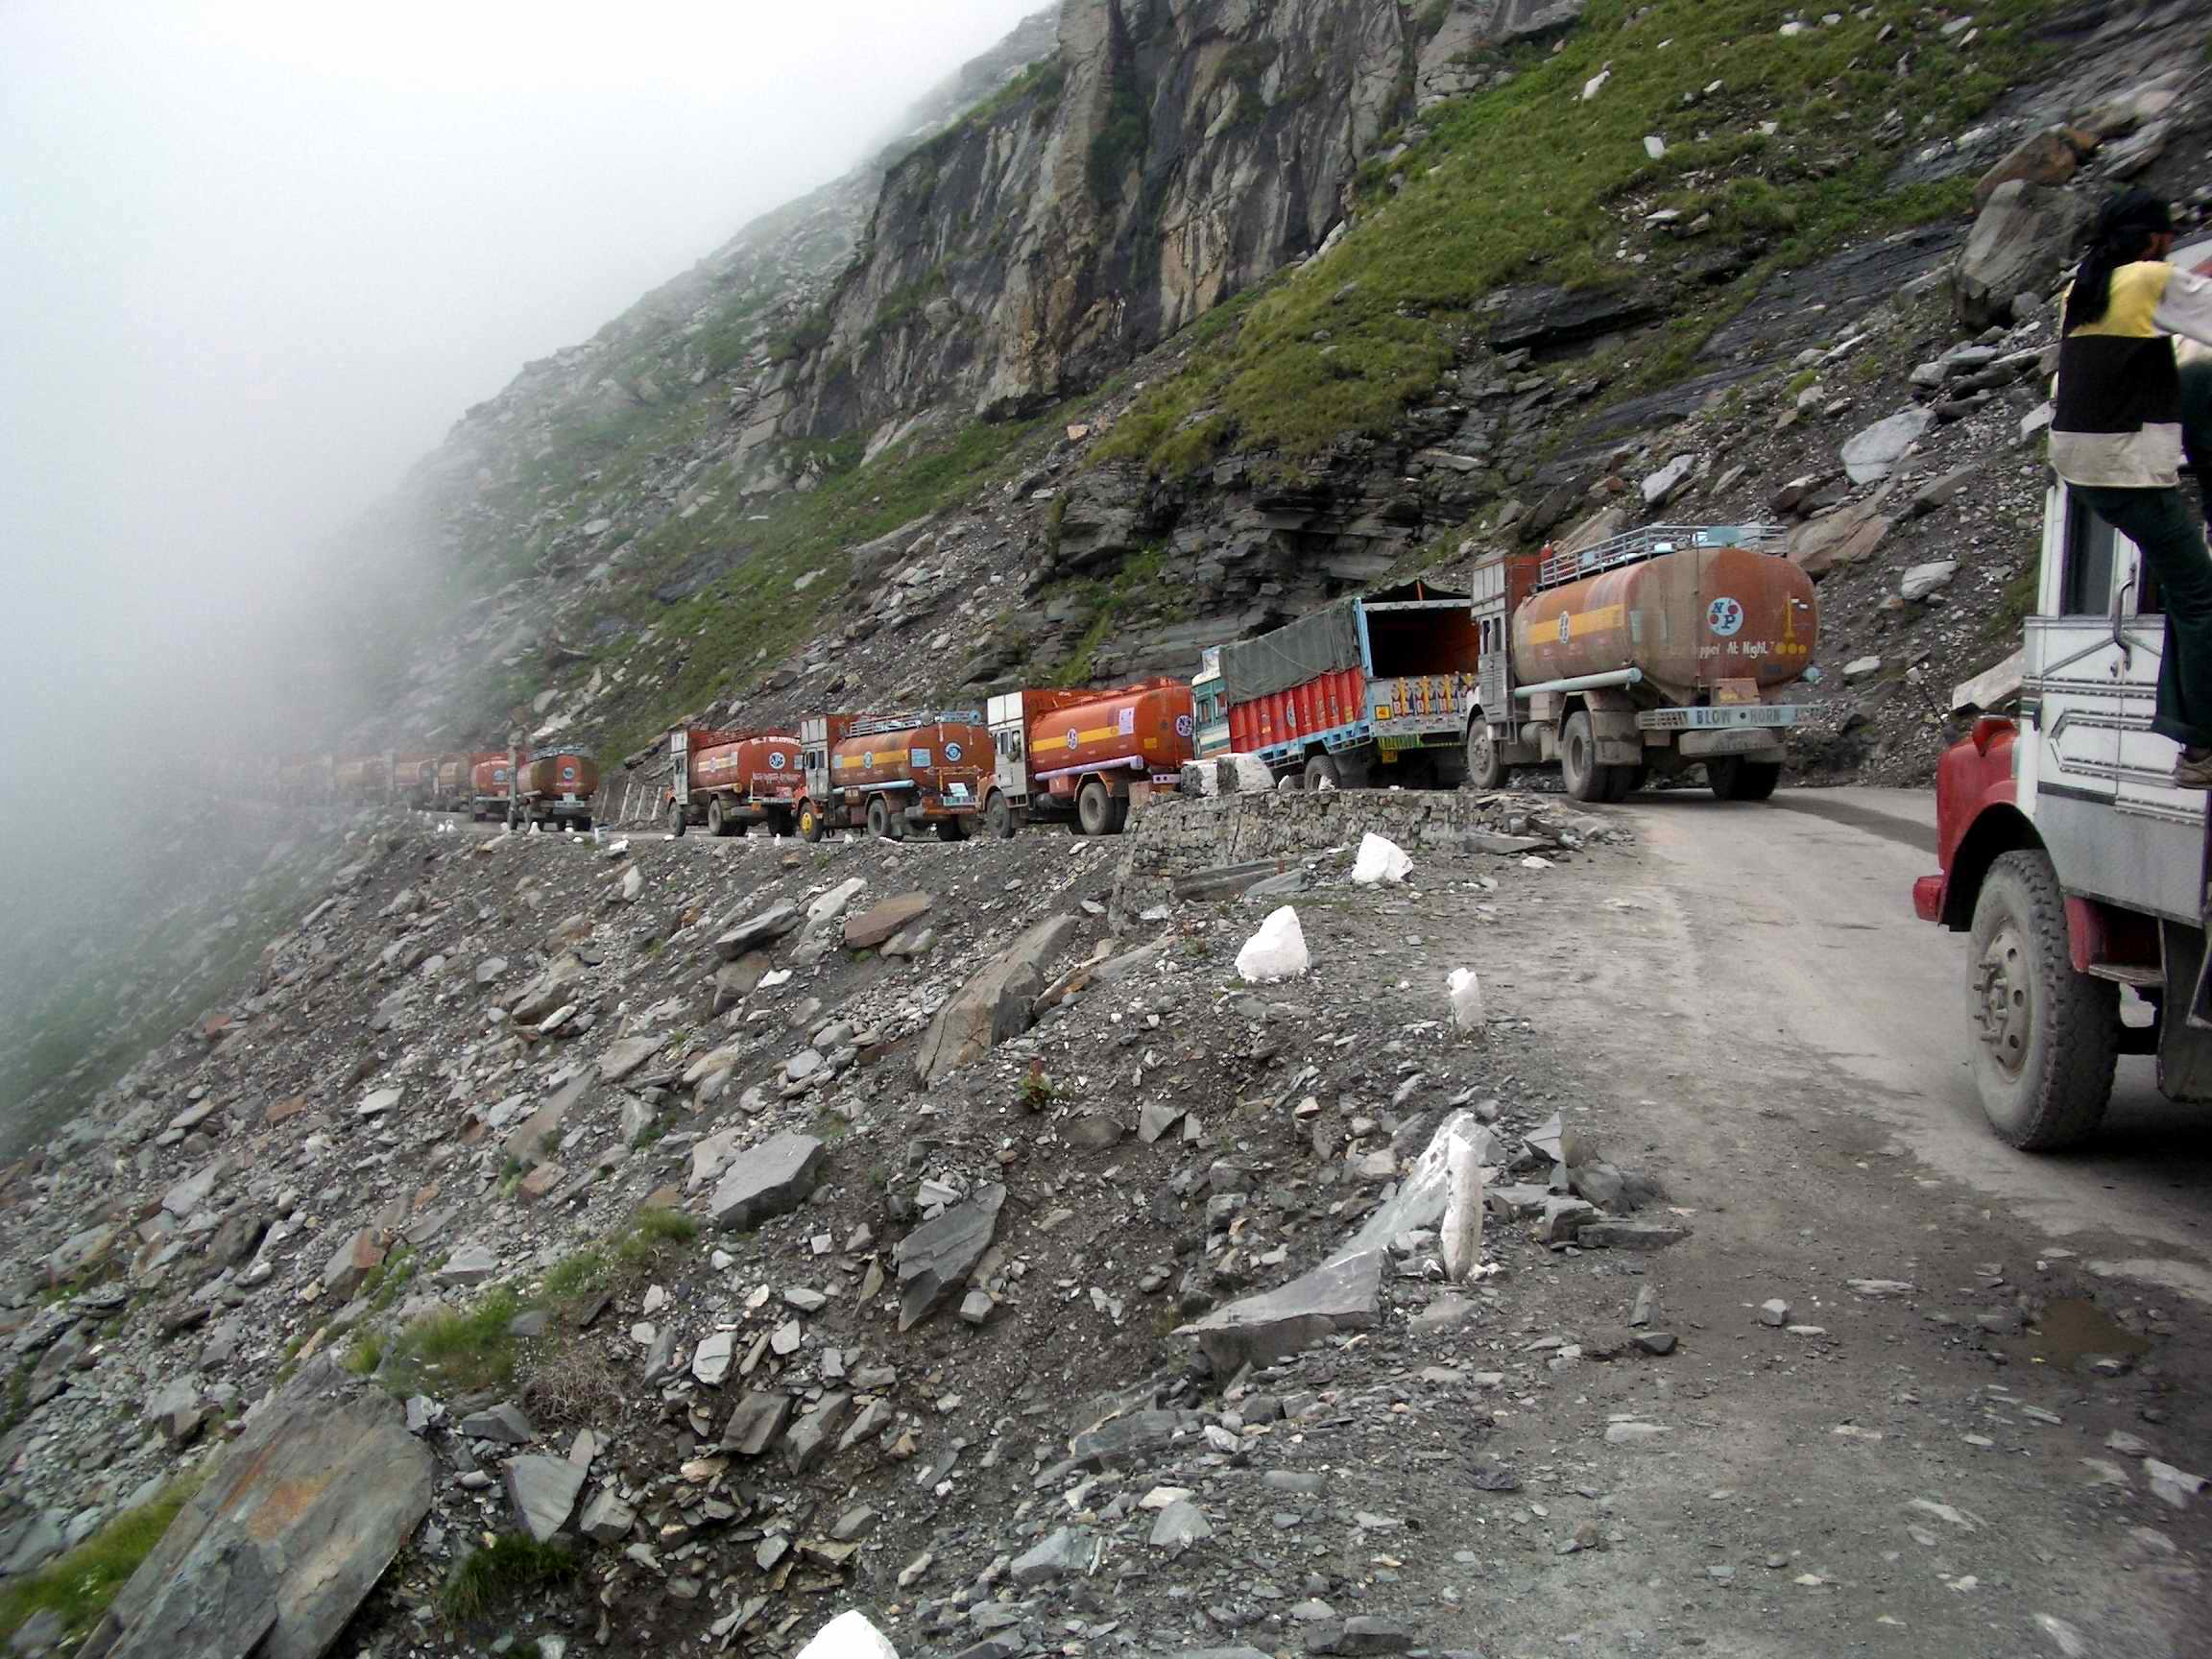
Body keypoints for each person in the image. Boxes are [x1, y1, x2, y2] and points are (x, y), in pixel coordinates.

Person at [2051, 190, 2212, 787]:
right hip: (2124, 464)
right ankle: (2199, 750)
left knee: (2184, 587)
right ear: (2150, 239)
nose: (2171, 243)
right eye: (2167, 235)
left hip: (2084, 467)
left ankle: (2192, 735)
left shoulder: (2085, 286)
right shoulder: (2148, 278)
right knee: (2200, 598)